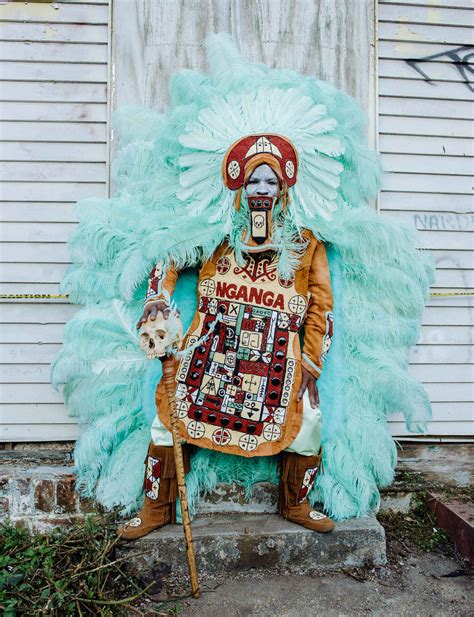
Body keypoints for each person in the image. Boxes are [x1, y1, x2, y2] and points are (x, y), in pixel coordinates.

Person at [117, 134, 335, 540]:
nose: (263, 191)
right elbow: (167, 257)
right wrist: (156, 301)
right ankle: (156, 507)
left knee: (308, 421)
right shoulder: (214, 235)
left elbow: (322, 308)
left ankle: (297, 503)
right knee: (167, 421)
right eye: (255, 181)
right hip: (212, 350)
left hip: (278, 360)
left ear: (284, 188)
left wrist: (311, 362)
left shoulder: (306, 246)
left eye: (271, 182)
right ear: (239, 186)